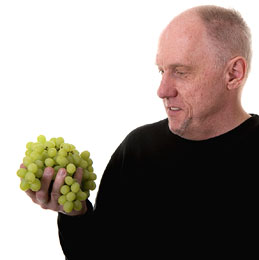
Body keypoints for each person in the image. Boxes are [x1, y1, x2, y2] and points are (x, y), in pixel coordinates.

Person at [25, 5, 258, 259]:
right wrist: (75, 213)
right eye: (162, 70)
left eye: (181, 72)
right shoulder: (138, 149)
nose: (162, 90)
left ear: (233, 74)